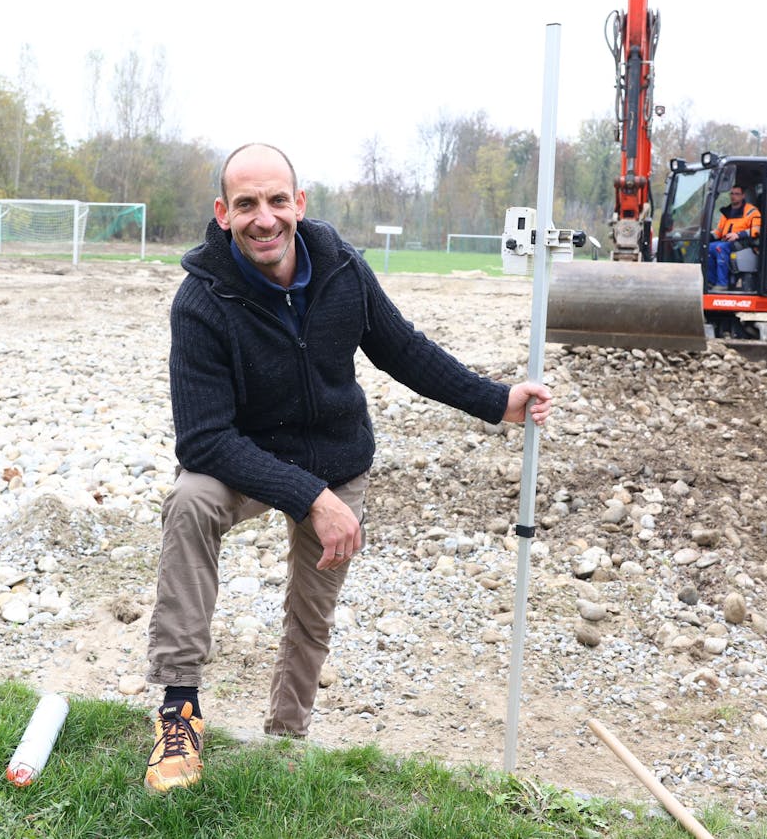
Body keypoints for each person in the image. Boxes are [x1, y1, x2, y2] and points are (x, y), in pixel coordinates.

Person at [142, 143, 553, 792]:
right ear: (223, 213)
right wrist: (310, 496)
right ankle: (179, 713)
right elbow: (203, 442)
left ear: (299, 205)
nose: (264, 218)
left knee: (311, 612)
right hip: (245, 461)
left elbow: (405, 351)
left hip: (337, 459)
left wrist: (497, 399)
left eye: (277, 200)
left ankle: (285, 741)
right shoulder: (201, 301)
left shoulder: (341, 269)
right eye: (246, 204)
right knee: (191, 499)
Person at [704, 184, 762, 290]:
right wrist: (708, 236)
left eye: (737, 194)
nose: (733, 196)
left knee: (720, 248)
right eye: (732, 193)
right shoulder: (727, 211)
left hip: (744, 242)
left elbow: (756, 230)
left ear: (743, 196)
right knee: (707, 248)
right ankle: (711, 281)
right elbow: (719, 231)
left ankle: (722, 284)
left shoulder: (752, 211)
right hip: (726, 241)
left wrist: (738, 235)